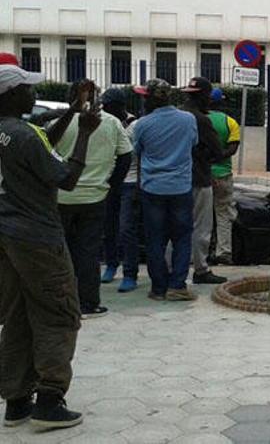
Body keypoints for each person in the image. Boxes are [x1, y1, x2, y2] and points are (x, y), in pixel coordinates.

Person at [0, 64, 102, 428]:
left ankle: (15, 400)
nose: (32, 94)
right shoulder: (25, 135)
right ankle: (49, 399)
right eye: (26, 88)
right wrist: (86, 133)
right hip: (38, 238)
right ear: (11, 95)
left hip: (7, 236)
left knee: (17, 315)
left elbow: (42, 146)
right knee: (59, 313)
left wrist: (72, 112)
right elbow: (67, 177)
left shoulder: (11, 133)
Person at [54, 81, 133, 318]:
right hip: (95, 197)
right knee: (88, 251)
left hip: (61, 197)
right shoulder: (110, 123)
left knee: (61, 251)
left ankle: (62, 303)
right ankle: (89, 303)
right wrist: (112, 183)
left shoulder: (58, 124)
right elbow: (126, 155)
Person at [133, 79, 199, 301]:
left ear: (150, 99)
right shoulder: (188, 119)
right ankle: (177, 286)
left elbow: (138, 151)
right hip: (181, 187)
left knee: (155, 239)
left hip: (152, 188)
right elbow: (193, 143)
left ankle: (158, 288)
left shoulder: (142, 124)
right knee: (182, 237)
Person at [179, 77, 226, 285]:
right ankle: (201, 269)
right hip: (199, 178)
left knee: (176, 227)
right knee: (201, 226)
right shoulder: (200, 119)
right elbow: (218, 151)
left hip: (176, 180)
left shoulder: (177, 114)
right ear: (204, 96)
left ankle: (175, 270)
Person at [100, 88, 138, 291]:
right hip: (109, 181)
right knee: (108, 228)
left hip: (130, 182)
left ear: (119, 106)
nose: (103, 108)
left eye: (107, 105)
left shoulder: (134, 126)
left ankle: (130, 272)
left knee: (126, 229)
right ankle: (111, 264)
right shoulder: (106, 123)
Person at [206, 88, 241, 265]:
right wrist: (219, 156)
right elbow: (233, 148)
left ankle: (199, 252)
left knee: (200, 215)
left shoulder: (198, 120)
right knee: (223, 214)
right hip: (223, 173)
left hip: (202, 174)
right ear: (221, 102)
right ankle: (223, 252)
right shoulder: (230, 122)